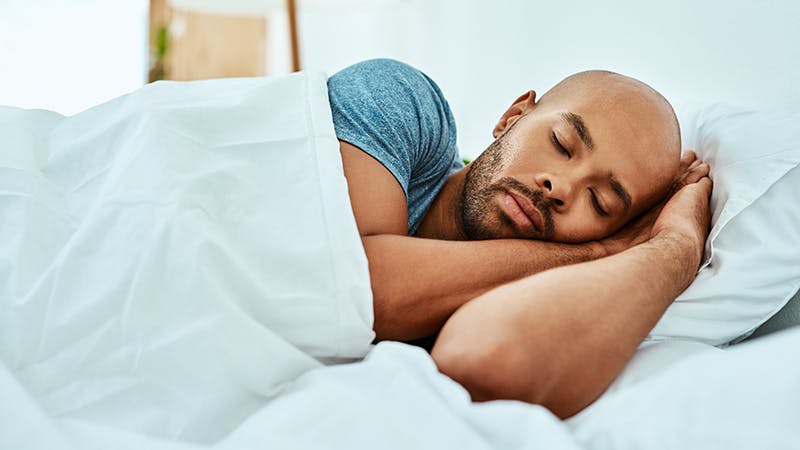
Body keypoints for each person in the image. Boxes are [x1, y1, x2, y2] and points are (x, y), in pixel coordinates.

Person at [328, 58, 712, 418]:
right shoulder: (399, 101)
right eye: (561, 144)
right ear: (512, 117)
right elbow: (358, 289)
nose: (559, 187)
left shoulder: (527, 291)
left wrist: (676, 247)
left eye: (601, 202)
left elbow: (487, 362)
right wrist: (601, 251)